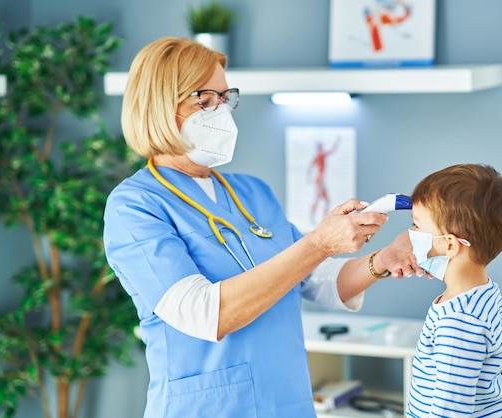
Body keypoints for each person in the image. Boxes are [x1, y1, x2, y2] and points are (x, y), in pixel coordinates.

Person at [102, 37, 422, 418]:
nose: (220, 111)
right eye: (205, 100)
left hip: (286, 402)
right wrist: (319, 244)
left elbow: (315, 279)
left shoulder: (252, 193)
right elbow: (207, 314)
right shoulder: (135, 206)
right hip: (209, 408)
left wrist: (384, 258)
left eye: (225, 98)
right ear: (160, 105)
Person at [405, 164, 502, 417]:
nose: (411, 234)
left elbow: (450, 411)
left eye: (416, 226)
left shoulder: (459, 319)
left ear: (449, 244)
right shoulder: (482, 293)